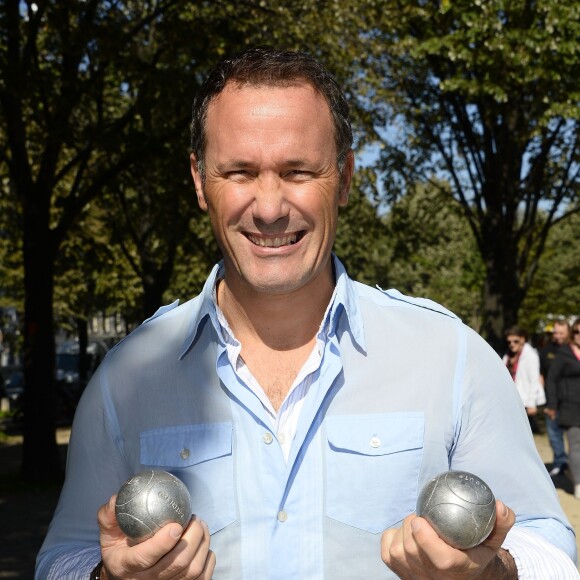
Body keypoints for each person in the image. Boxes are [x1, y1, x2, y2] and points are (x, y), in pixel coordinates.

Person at [36, 46, 578, 579]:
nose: (270, 208)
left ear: (343, 178)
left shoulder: (450, 356)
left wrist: (491, 574)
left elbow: (549, 544)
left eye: (298, 171)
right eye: (241, 172)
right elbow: (64, 558)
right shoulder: (127, 377)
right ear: (201, 181)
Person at [546, 318, 580, 499]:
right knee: (575, 446)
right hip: (571, 407)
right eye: (577, 332)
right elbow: (551, 379)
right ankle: (578, 483)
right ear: (572, 334)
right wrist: (552, 405)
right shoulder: (563, 354)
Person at [541, 319, 571, 476]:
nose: (557, 336)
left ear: (568, 333)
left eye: (561, 333)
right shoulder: (547, 351)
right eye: (555, 333)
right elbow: (541, 373)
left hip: (571, 401)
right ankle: (560, 464)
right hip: (552, 400)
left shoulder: (574, 350)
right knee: (554, 436)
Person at [502, 326, 545, 434]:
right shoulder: (507, 355)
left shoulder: (530, 355)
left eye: (515, 341)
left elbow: (534, 381)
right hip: (511, 400)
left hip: (525, 402)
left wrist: (531, 404)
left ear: (523, 339)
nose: (512, 344)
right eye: (509, 342)